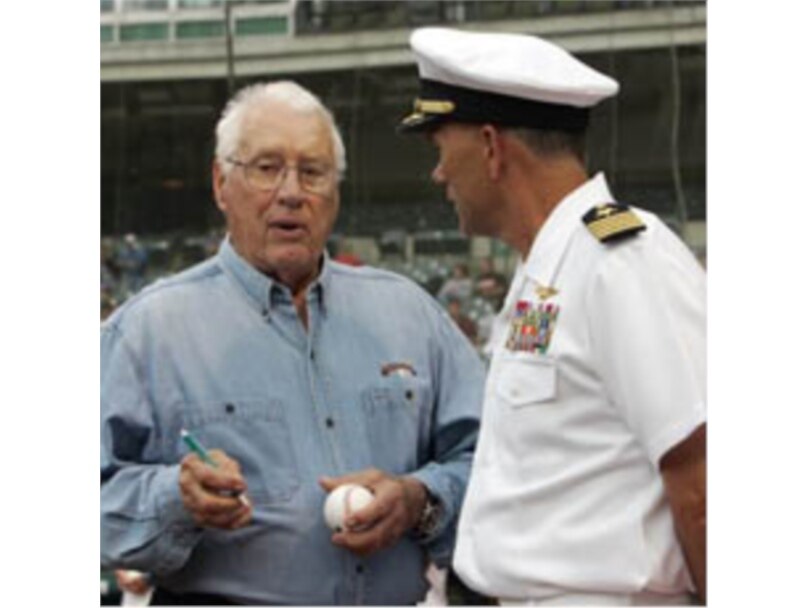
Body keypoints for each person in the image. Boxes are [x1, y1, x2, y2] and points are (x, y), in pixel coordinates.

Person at [101, 80, 485, 605]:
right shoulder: (147, 331)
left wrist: (421, 499)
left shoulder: (411, 316)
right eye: (265, 167)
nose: (291, 191)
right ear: (220, 183)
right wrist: (174, 499)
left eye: (312, 171)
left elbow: (493, 463)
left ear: (335, 192)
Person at [399, 27, 707, 605]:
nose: (438, 174)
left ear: (491, 147)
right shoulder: (548, 265)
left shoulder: (621, 261)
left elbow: (702, 480)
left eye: (441, 148)